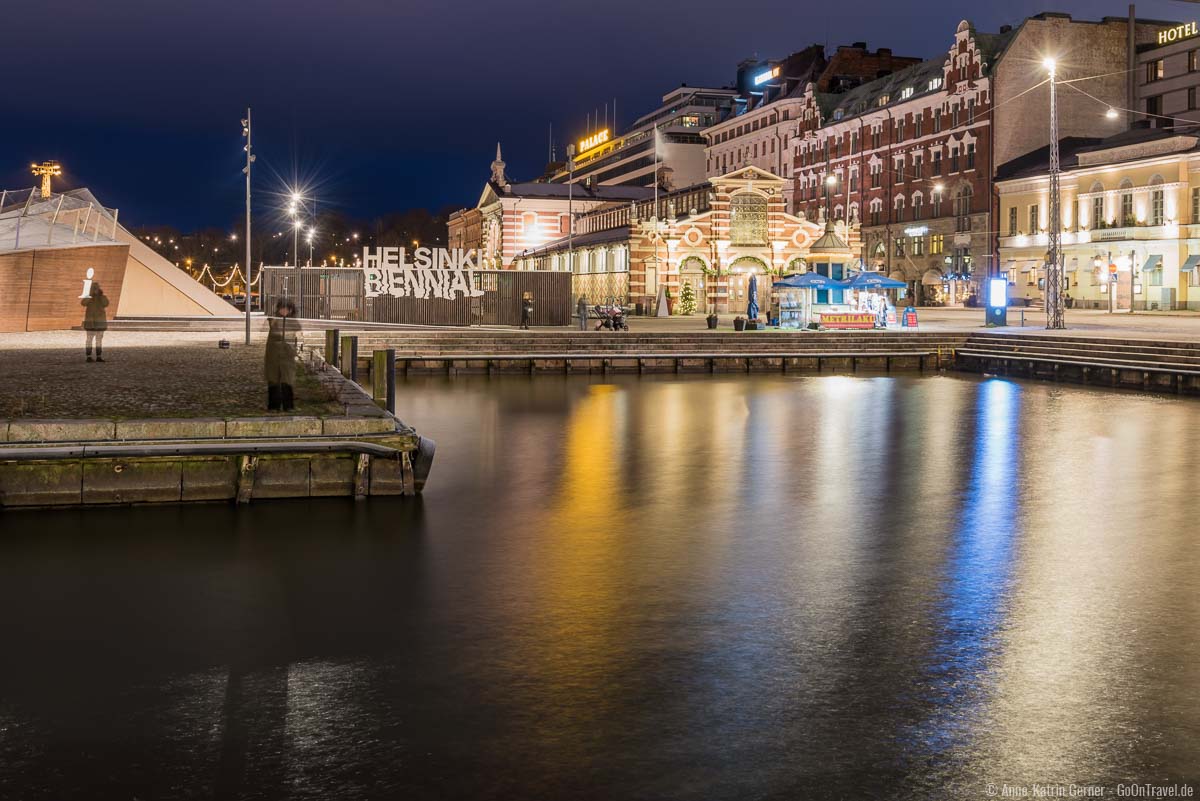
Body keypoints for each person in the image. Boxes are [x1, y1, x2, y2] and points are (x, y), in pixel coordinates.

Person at [265, 298, 300, 411]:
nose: (284, 311)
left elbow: (296, 336)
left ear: (290, 310)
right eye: (282, 309)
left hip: (287, 356)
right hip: (274, 355)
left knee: (287, 381)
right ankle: (273, 405)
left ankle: (288, 405)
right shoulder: (274, 320)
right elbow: (274, 332)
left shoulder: (293, 322)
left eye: (286, 309)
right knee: (273, 380)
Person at [81, 282, 109, 362]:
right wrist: (90, 296)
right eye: (94, 288)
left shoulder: (102, 297)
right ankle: (89, 356)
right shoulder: (88, 297)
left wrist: (100, 296)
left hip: (100, 323)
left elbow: (106, 304)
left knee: (99, 340)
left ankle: (99, 356)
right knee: (89, 340)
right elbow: (83, 303)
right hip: (90, 323)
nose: (96, 290)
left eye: (97, 288)